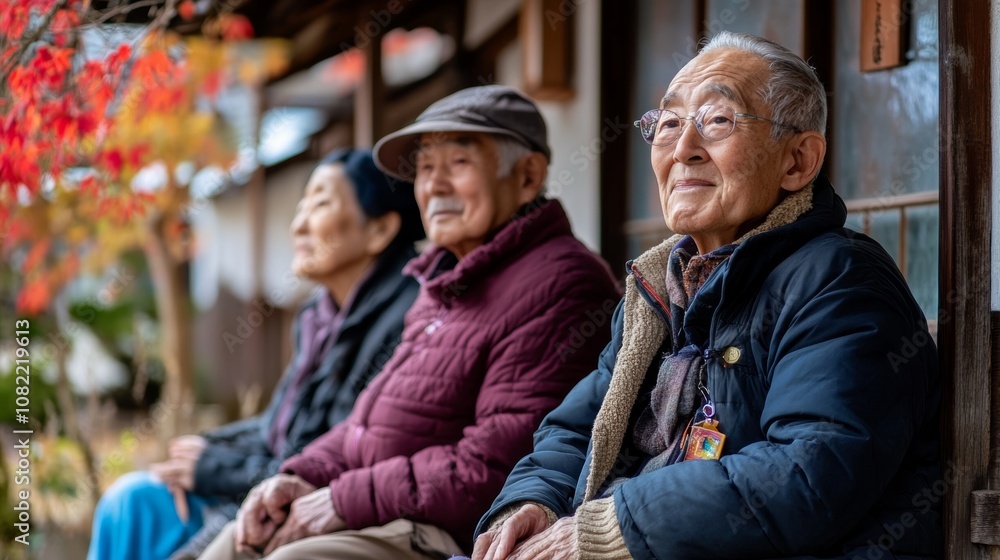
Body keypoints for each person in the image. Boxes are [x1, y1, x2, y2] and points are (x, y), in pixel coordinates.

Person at [471, 32, 941, 560]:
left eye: (717, 120)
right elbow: (578, 426)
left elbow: (815, 470)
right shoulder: (660, 287)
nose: (682, 148)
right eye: (668, 123)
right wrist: (533, 501)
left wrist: (617, 526)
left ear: (797, 162)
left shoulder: (840, 280)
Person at [196, 84, 622, 560]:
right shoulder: (443, 280)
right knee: (234, 543)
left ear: (527, 177)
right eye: (425, 168)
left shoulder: (561, 282)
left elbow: (492, 468)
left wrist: (342, 499)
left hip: (448, 532)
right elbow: (366, 425)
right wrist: (299, 476)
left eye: (458, 164)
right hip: (382, 512)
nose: (434, 186)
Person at [88, 149, 426, 560]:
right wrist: (199, 449)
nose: (298, 224)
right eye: (300, 205)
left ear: (380, 229)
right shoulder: (317, 316)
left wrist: (213, 467)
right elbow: (279, 424)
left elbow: (334, 451)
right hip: (262, 484)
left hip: (320, 508)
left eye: (320, 204)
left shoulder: (411, 314)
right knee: (132, 499)